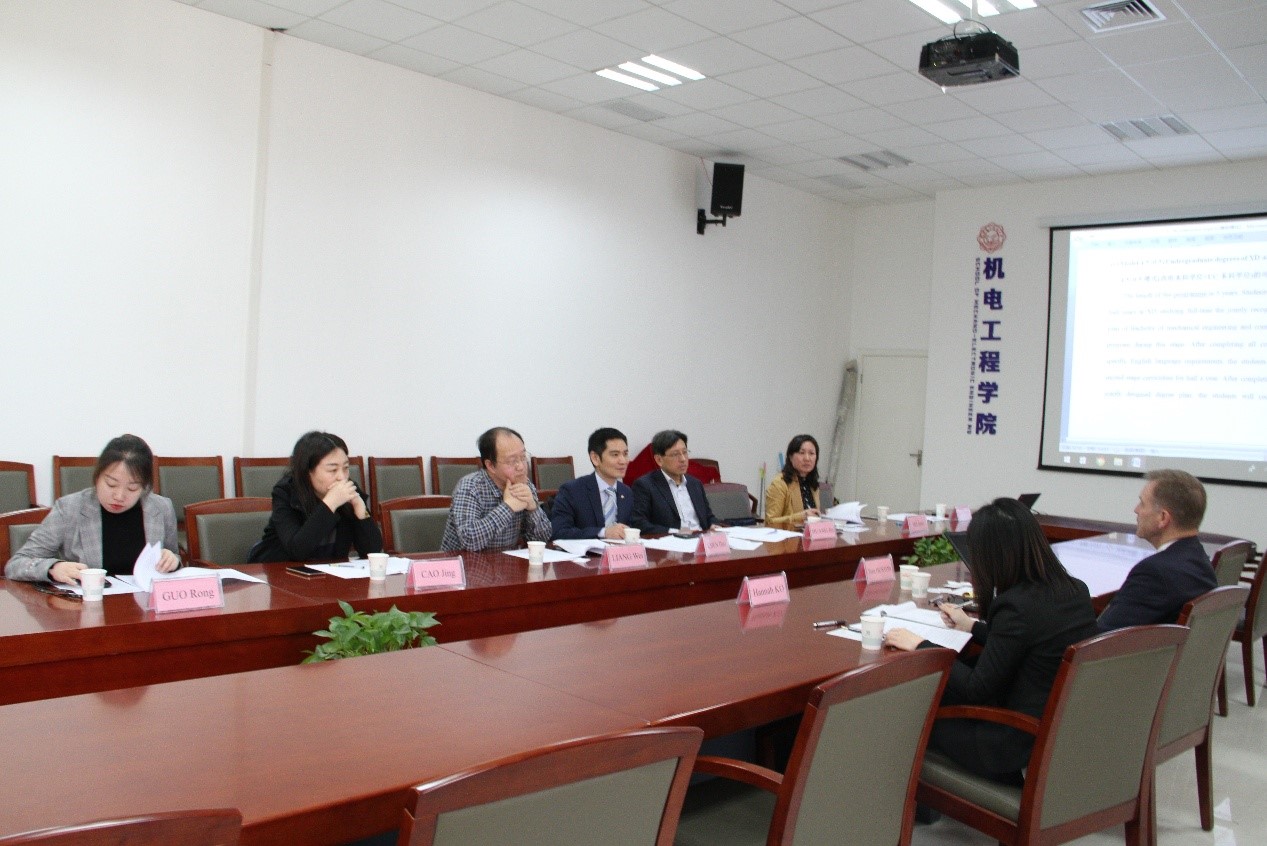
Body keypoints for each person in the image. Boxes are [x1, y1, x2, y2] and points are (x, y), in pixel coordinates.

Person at [886, 498, 1098, 784]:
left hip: (1013, 745)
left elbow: (975, 689)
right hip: (1060, 736)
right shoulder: (1074, 589)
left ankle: (911, 800)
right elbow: (1025, 641)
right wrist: (972, 626)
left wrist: (921, 645)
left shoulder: (1015, 606)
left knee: (910, 716)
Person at [5, 434, 179, 583]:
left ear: (145, 487)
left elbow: (174, 557)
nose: (119, 496)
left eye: (132, 488)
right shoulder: (69, 508)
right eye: (111, 484)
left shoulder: (161, 508)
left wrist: (173, 562)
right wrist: (53, 568)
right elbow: (16, 565)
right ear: (97, 477)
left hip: (144, 605)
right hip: (87, 606)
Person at [1096, 469, 1216, 631]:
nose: (1136, 510)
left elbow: (1104, 636)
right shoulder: (1200, 559)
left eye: (1142, 503)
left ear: (1163, 518)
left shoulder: (1154, 573)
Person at [248, 431, 382, 562]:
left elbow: (373, 551)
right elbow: (297, 550)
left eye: (346, 468)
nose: (342, 477)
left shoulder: (349, 490)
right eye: (333, 470)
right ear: (308, 471)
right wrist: (330, 504)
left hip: (328, 572)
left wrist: (361, 510)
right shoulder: (286, 493)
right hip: (277, 569)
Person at [440, 427, 551, 551]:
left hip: (505, 560)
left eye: (523, 457)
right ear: (491, 465)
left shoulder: (524, 485)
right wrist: (508, 508)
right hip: (463, 561)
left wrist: (533, 508)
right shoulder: (470, 487)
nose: (521, 466)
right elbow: (469, 540)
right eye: (512, 461)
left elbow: (542, 540)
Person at [630, 430, 719, 535]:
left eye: (685, 452)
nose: (683, 459)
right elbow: (639, 523)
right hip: (672, 541)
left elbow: (708, 516)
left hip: (702, 538)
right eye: (675, 454)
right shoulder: (645, 485)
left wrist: (713, 524)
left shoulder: (695, 484)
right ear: (659, 460)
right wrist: (676, 532)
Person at [551, 428, 634, 540]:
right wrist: (603, 533)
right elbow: (559, 532)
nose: (623, 461)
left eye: (625, 454)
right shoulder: (572, 491)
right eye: (615, 455)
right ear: (595, 458)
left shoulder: (626, 492)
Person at [765, 434, 823, 528]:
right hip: (787, 536)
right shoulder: (779, 484)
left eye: (811, 453)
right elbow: (770, 522)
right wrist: (801, 516)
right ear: (790, 457)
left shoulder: (812, 484)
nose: (807, 458)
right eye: (801, 453)